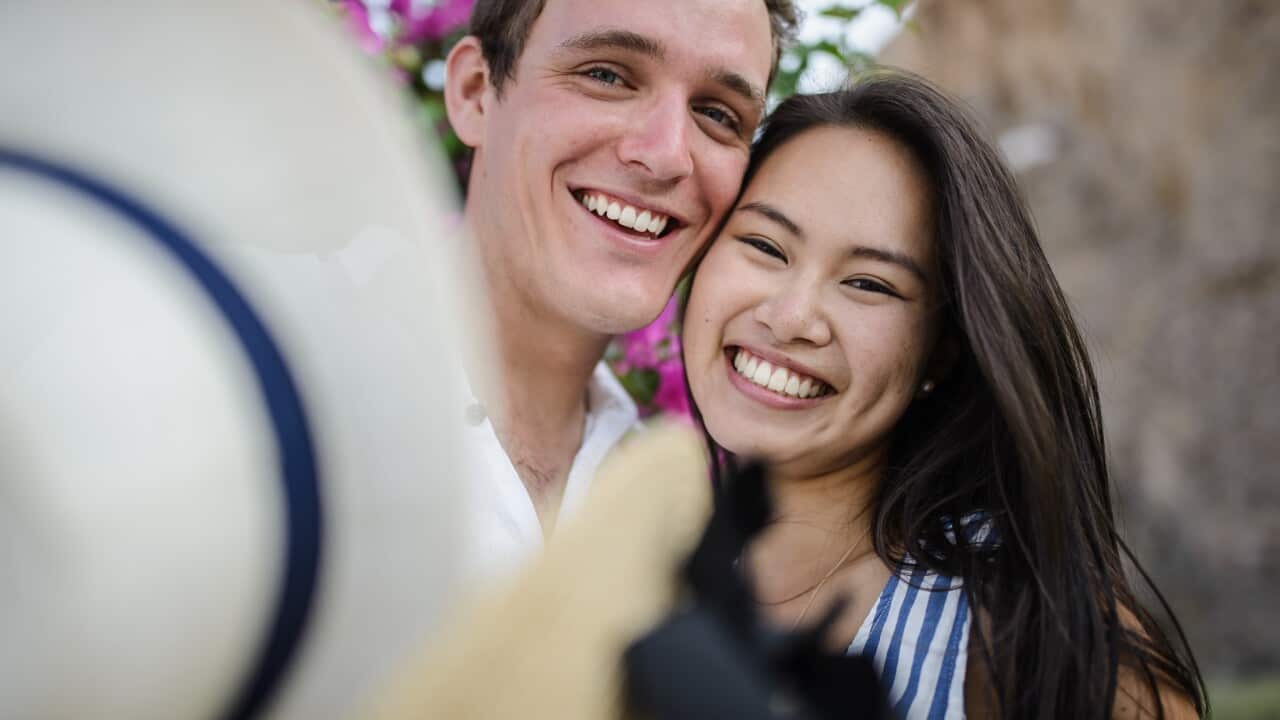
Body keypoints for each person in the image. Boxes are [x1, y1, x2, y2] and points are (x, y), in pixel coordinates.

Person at [680, 71, 1208, 718]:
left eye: (870, 284)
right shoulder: (641, 576)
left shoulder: (1027, 633)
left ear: (942, 351)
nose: (791, 318)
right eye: (764, 245)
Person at [440, 0, 798, 581]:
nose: (664, 156)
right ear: (476, 92)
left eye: (717, 114)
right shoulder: (283, 375)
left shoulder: (675, 533)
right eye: (606, 75)